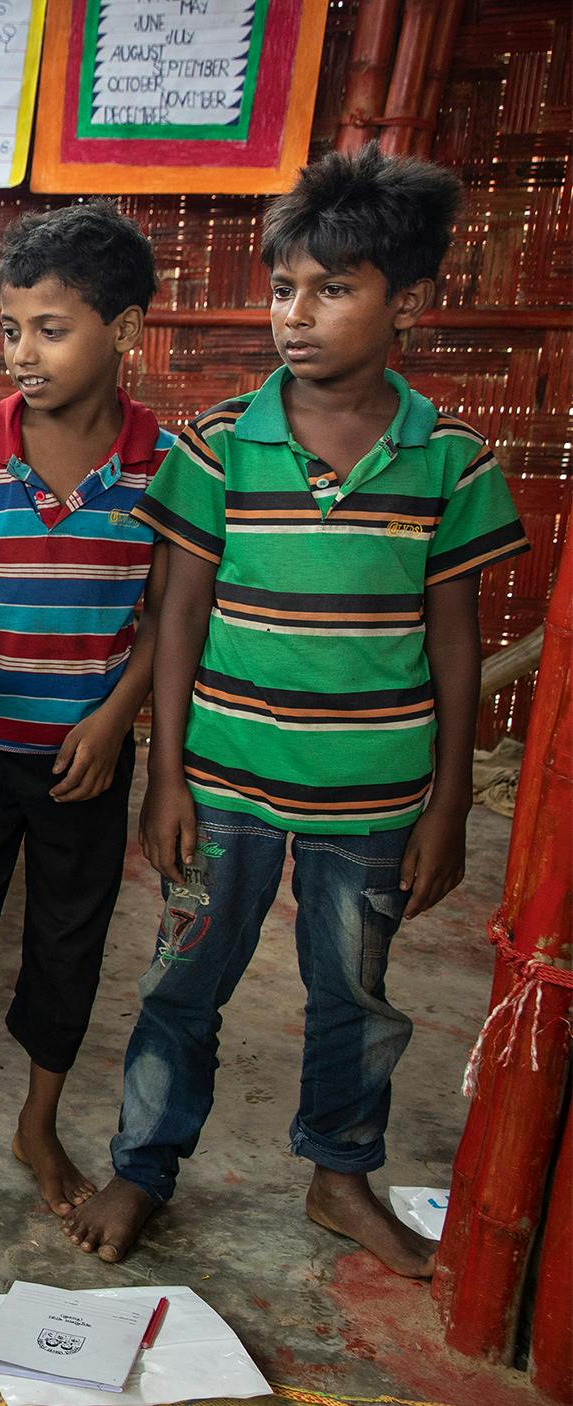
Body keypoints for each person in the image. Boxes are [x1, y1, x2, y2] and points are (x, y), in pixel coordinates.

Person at [64, 147, 530, 1274]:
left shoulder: (451, 461)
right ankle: (142, 1164)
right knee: (183, 981)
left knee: (355, 998)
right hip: (221, 781)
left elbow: (457, 638)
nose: (296, 314)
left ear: (406, 302)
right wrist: (165, 775)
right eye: (284, 288)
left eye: (332, 288)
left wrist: (450, 800)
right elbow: (174, 614)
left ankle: (338, 1174)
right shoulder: (217, 446)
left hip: (374, 793)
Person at [0, 202, 172, 1218]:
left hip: (83, 763)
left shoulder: (162, 465)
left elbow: (162, 619)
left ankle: (37, 1119)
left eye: (49, 329)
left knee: (69, 940)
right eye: (10, 328)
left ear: (126, 331)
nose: (20, 352)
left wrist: (113, 722)